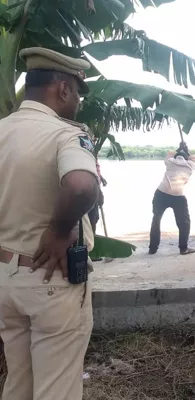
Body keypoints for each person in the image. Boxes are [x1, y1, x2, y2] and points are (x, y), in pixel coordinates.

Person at [0, 47, 99, 400]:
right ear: (62, 89)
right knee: (56, 389)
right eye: (76, 93)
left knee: (19, 384)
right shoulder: (65, 134)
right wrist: (58, 231)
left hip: (6, 281)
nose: (76, 103)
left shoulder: (2, 130)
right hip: (51, 281)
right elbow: (82, 185)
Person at [148, 143, 195, 255]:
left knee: (156, 220)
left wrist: (178, 149)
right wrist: (186, 150)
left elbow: (169, 154)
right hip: (178, 196)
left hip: (161, 193)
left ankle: (152, 248)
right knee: (184, 223)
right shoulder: (190, 165)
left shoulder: (170, 162)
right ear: (187, 158)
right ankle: (183, 248)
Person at [89, 160, 108, 261]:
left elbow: (94, 172)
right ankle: (91, 252)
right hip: (91, 192)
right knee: (91, 222)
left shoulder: (92, 151)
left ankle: (91, 251)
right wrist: (99, 192)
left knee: (93, 221)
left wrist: (101, 178)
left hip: (93, 190)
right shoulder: (87, 149)